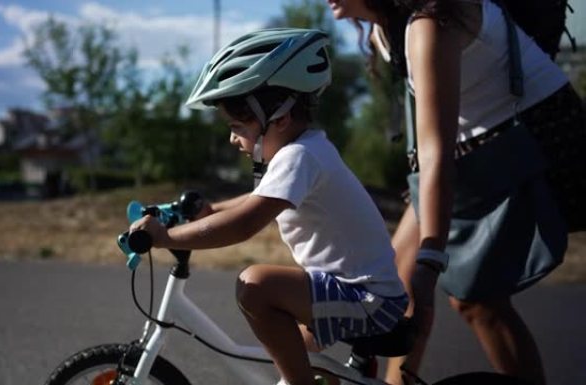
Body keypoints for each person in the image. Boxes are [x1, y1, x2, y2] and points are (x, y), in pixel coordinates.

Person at [129, 28, 412, 385]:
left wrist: (163, 236)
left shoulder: (299, 157)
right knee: (302, 355)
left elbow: (244, 224)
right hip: (353, 292)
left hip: (366, 299)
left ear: (279, 118)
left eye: (238, 126)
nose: (233, 138)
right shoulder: (306, 150)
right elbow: (256, 199)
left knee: (256, 286)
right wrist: (210, 211)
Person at [325, 1, 585, 384]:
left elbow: (436, 153)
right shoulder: (387, 31)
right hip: (475, 153)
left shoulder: (432, 20)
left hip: (534, 139)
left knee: (475, 299)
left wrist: (430, 264)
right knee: (397, 286)